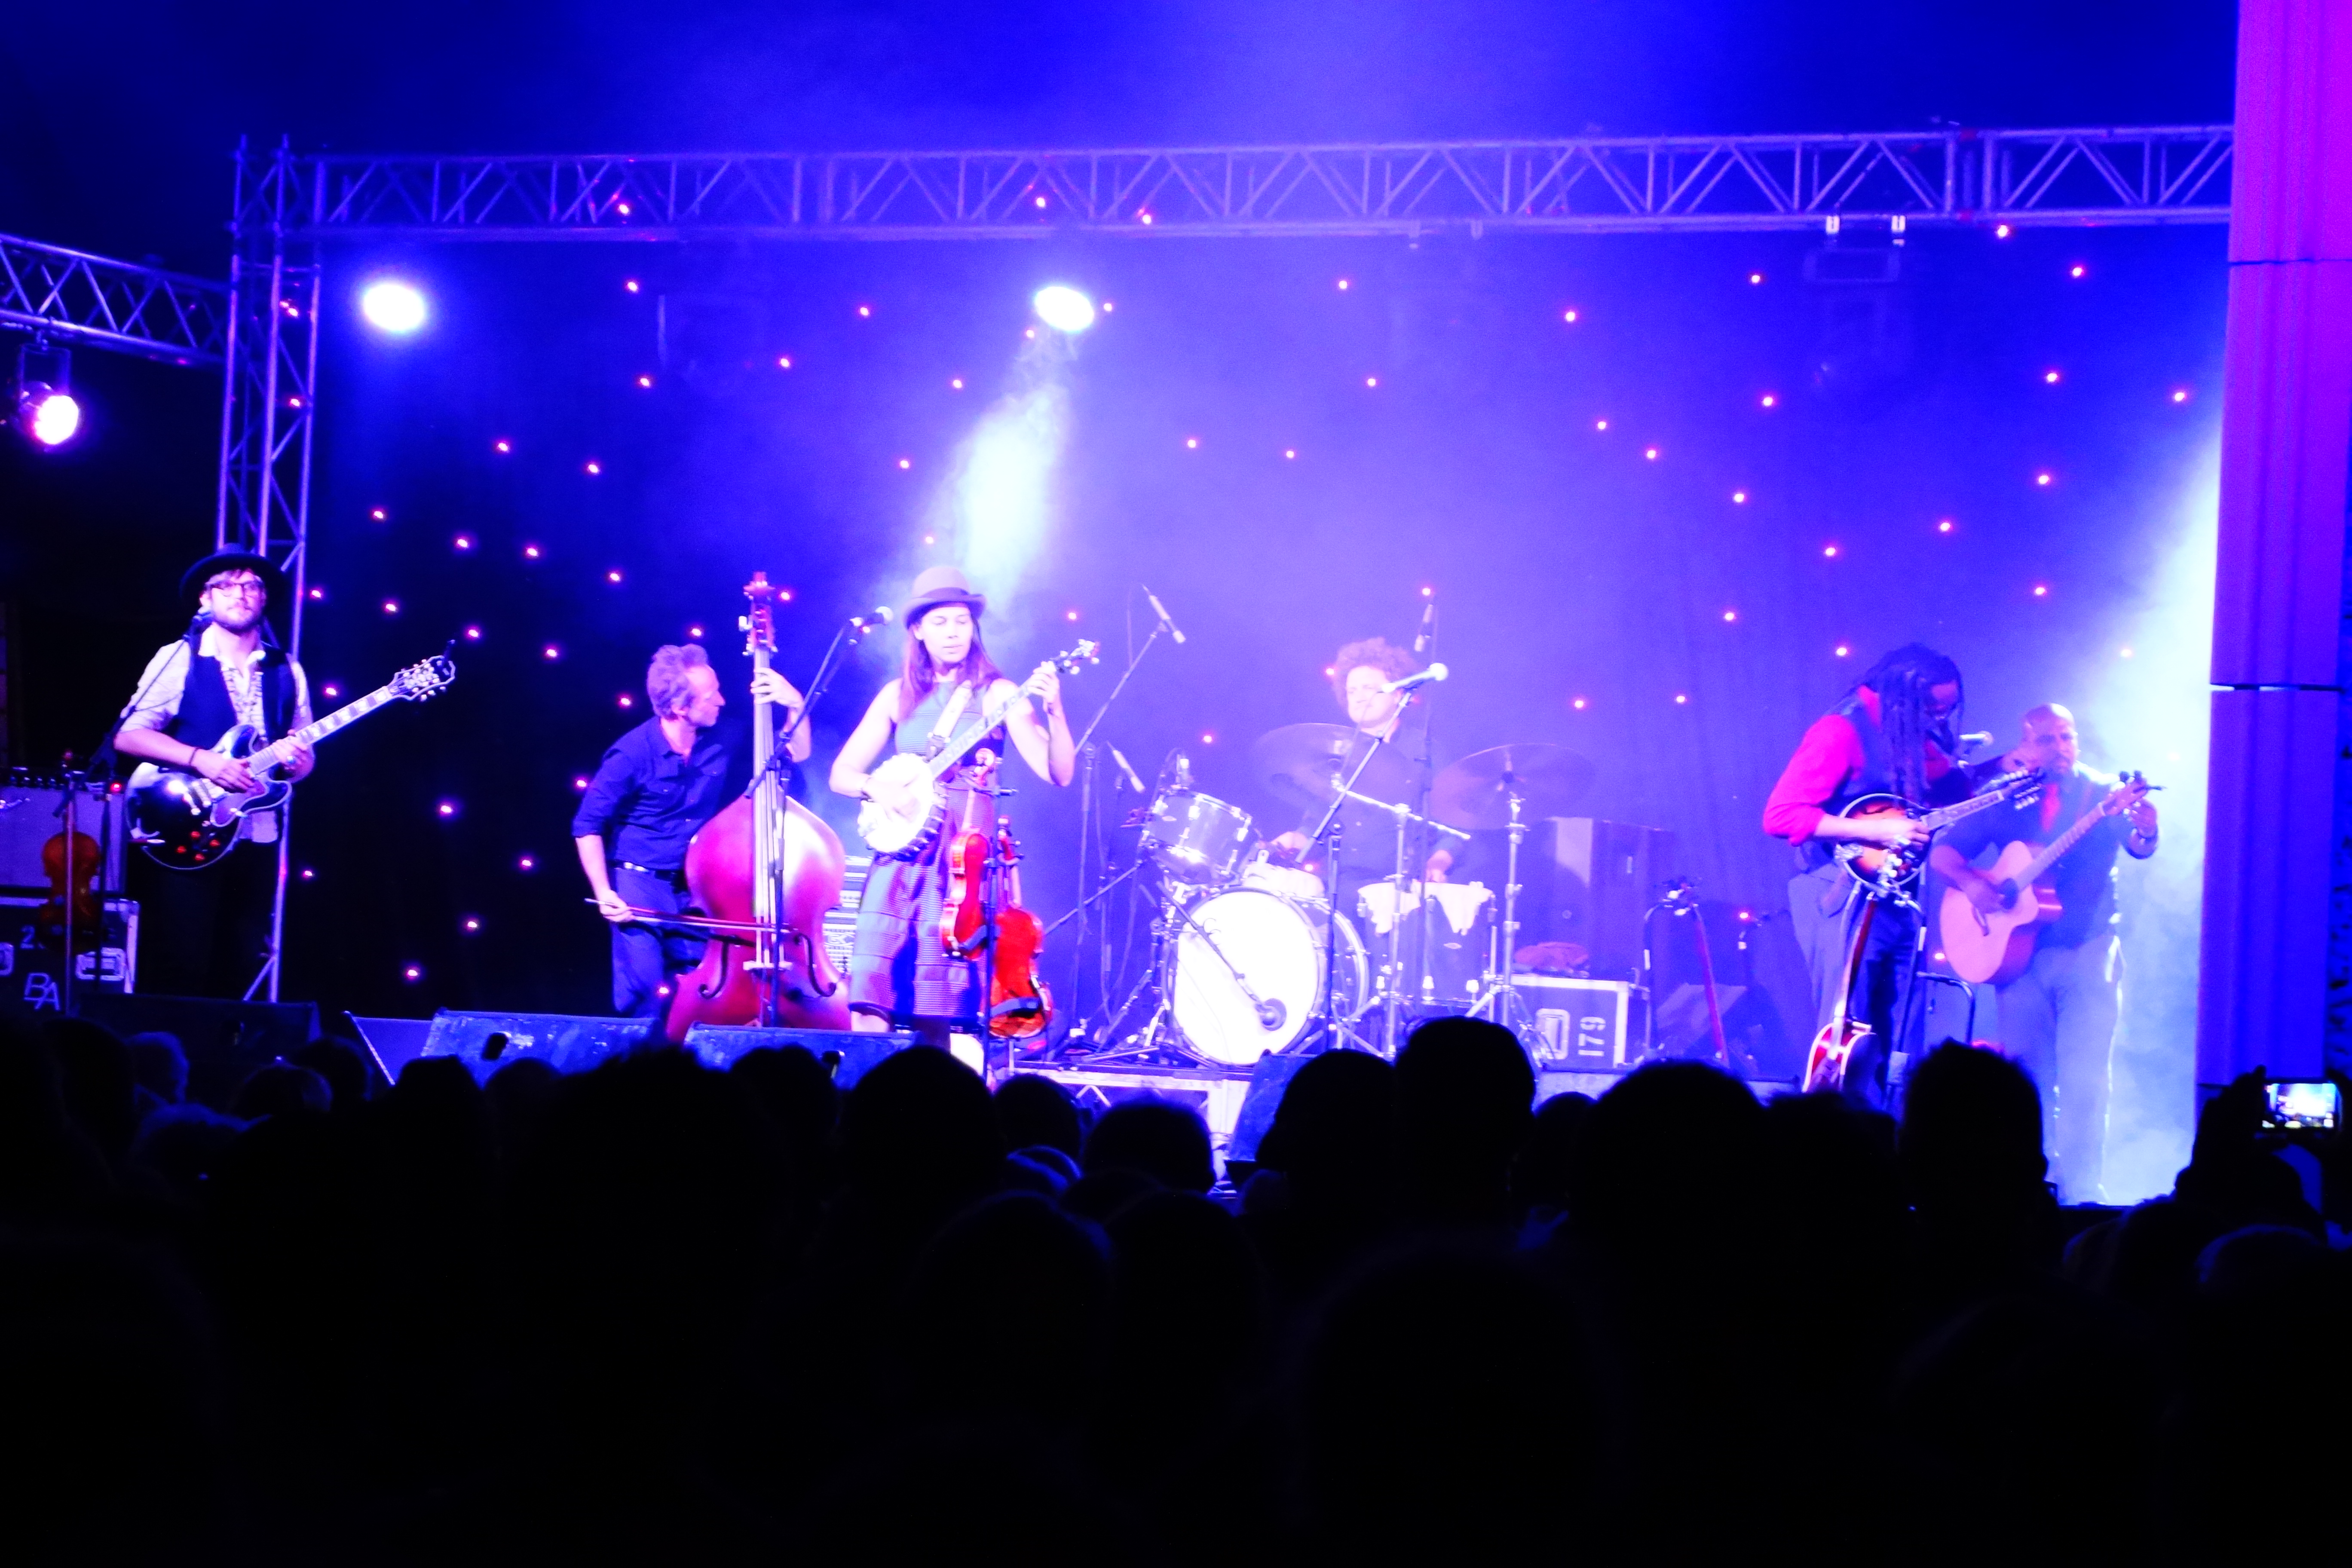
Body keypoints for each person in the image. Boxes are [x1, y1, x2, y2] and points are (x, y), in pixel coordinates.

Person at [830, 566, 1073, 1039]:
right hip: (899, 863)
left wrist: (1055, 711)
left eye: (962, 621)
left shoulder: (998, 694)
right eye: (940, 622)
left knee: (934, 1009)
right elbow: (842, 774)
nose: (953, 632)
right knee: (871, 997)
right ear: (918, 631)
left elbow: (1057, 773)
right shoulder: (897, 696)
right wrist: (879, 788)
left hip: (958, 866)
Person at [1927, 704, 2157, 1201]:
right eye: (2047, 740)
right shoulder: (2006, 796)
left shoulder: (2103, 793)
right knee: (2027, 1081)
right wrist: (1972, 884)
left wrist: (2146, 829)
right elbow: (1943, 854)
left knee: (2086, 1079)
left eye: (2066, 737)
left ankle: (2083, 1195)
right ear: (2026, 745)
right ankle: (2032, 1191)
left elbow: (2139, 846)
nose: (2060, 748)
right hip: (2019, 960)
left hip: (2088, 948)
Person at [1761, 643, 1968, 1108]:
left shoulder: (1911, 736)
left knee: (1901, 1038)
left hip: (1898, 896)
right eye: (1933, 708)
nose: (1940, 718)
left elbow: (1944, 794)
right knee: (1847, 1036)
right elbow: (1781, 815)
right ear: (1904, 697)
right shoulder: (1842, 729)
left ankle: (1893, 1136)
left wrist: (2005, 772)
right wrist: (1875, 830)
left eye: (1947, 709)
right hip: (1838, 893)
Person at [112, 551, 315, 998]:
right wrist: (201, 759)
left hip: (257, 835)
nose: (240, 594)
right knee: (181, 964)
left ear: (264, 598)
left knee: (239, 969)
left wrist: (297, 762)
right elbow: (129, 736)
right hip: (190, 826)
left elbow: (303, 759)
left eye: (251, 586)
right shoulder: (179, 657)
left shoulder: (287, 668)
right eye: (226, 585)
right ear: (205, 599)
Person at [573, 643, 808, 1018]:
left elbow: (798, 752)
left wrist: (795, 703)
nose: (722, 701)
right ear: (681, 708)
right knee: (644, 989)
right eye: (711, 695)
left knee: (701, 986)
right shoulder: (631, 754)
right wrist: (604, 893)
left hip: (695, 885)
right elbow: (587, 825)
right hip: (639, 884)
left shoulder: (724, 735)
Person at [1270, 637, 1454, 909]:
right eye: (1352, 690)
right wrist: (1296, 839)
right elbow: (1317, 826)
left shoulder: (1425, 752)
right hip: (1337, 889)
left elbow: (1454, 826)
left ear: (1398, 694)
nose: (1359, 696)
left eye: (1369, 688)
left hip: (1402, 892)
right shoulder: (1334, 754)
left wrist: (1438, 862)